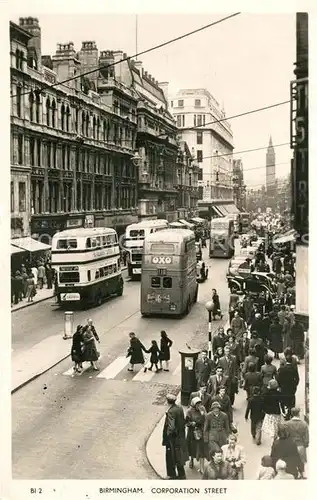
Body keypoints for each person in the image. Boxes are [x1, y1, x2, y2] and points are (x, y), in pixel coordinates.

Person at [162, 393, 188, 480]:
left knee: (170, 457)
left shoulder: (171, 411)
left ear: (168, 402)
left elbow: (171, 426)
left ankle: (171, 474)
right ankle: (181, 474)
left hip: (172, 438)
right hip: (180, 436)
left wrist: (168, 435)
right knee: (179, 456)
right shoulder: (179, 408)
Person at [185, 397, 206, 473]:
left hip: (200, 431)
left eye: (199, 404)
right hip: (192, 431)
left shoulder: (202, 409)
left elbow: (205, 420)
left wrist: (203, 415)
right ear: (194, 404)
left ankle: (200, 463)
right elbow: (187, 422)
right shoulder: (189, 411)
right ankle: (191, 460)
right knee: (191, 446)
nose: (199, 405)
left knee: (200, 447)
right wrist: (191, 423)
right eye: (197, 404)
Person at [277, 353, 299, 420]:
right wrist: (295, 385)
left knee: (283, 400)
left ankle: (285, 413)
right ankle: (291, 412)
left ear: (286, 361)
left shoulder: (281, 369)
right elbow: (297, 378)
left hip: (284, 387)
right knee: (291, 400)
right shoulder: (294, 368)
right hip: (292, 387)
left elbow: (278, 378)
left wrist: (280, 386)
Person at [286, 407, 309, 473]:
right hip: (300, 446)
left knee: (291, 462)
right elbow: (306, 438)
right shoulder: (304, 424)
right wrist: (305, 445)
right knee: (301, 463)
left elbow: (285, 435)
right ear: (298, 414)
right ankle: (301, 474)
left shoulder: (287, 424)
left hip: (291, 446)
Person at [262, 379, 282, 444]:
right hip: (276, 411)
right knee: (276, 426)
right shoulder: (279, 394)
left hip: (269, 412)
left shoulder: (266, 393)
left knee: (270, 426)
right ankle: (275, 437)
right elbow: (281, 402)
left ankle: (273, 438)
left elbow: (264, 402)